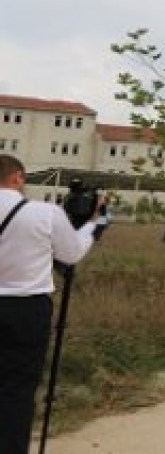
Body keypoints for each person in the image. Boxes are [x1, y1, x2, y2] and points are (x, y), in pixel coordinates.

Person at [0, 155, 96, 454]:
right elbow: (71, 254)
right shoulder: (44, 213)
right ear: (17, 177)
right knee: (16, 390)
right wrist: (91, 227)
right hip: (25, 310)